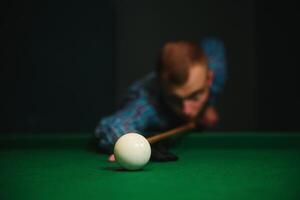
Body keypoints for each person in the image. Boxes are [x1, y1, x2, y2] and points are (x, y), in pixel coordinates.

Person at [95, 37, 227, 162]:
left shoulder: (215, 69)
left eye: (195, 96)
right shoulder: (147, 100)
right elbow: (114, 125)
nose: (186, 110)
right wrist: (135, 145)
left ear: (209, 79)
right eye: (174, 99)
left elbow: (214, 44)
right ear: (161, 85)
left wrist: (207, 105)